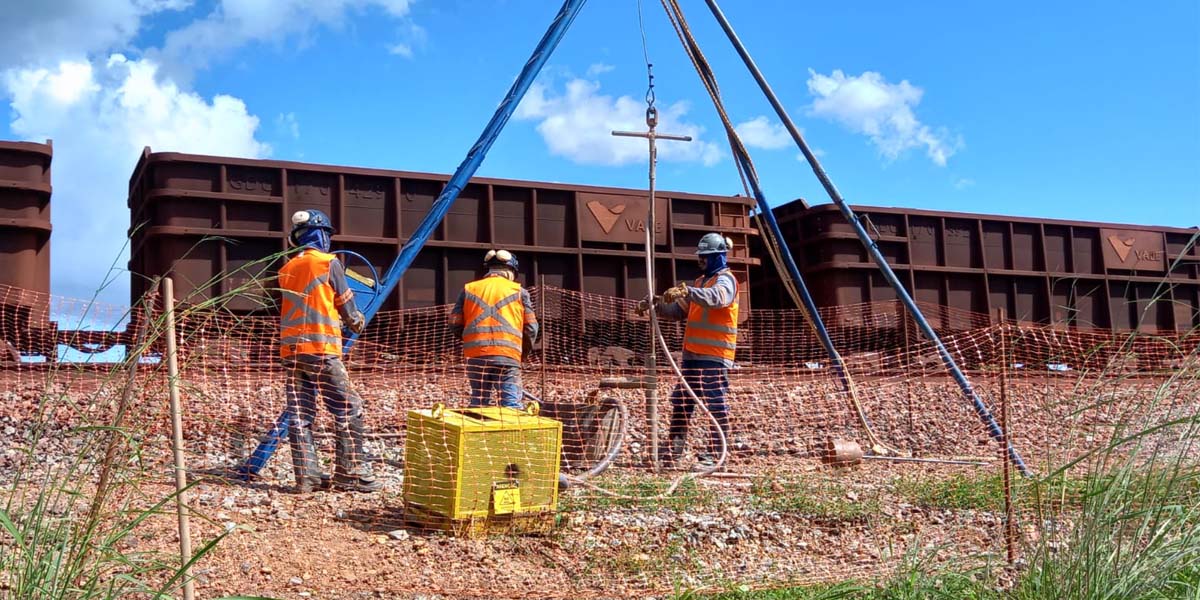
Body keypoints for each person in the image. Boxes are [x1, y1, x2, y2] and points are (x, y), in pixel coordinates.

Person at [278, 209, 380, 493]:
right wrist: (357, 321)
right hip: (321, 349)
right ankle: (350, 475)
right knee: (350, 408)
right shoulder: (328, 263)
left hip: (292, 353)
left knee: (300, 415)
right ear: (321, 234)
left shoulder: (286, 268)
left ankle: (307, 479)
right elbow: (349, 310)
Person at [637, 233, 738, 468]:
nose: (701, 260)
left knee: (715, 403)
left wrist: (687, 292)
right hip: (692, 356)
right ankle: (674, 450)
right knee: (682, 401)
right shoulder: (700, 283)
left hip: (715, 356)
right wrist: (656, 304)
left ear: (718, 257)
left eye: (705, 257)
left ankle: (715, 455)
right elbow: (677, 311)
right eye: (700, 257)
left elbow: (717, 299)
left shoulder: (726, 280)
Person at [448, 249, 539, 409]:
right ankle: (510, 433)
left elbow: (455, 323)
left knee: (479, 402)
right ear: (511, 271)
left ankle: (477, 432)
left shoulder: (469, 289)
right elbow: (531, 328)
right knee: (510, 405)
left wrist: (473, 340)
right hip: (507, 355)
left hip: (476, 356)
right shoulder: (519, 292)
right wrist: (522, 353)